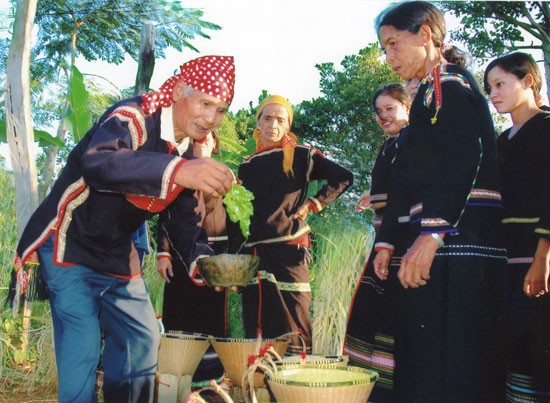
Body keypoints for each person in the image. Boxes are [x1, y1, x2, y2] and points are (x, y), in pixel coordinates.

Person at [13, 55, 236, 403]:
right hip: (70, 241)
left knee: (143, 337)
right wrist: (178, 171)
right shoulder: (133, 118)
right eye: (205, 103)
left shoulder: (187, 155)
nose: (211, 117)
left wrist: (207, 264)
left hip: (116, 252)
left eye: (221, 110)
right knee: (82, 345)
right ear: (178, 91)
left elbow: (182, 221)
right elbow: (98, 162)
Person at [374, 2, 507, 401]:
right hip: (446, 245)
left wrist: (431, 237)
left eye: (394, 44)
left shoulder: (449, 86)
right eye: (385, 48)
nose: (389, 57)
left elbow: (463, 158)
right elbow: (407, 179)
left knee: (455, 363)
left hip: (459, 249)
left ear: (426, 35)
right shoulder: (430, 95)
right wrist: (388, 239)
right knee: (433, 360)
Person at [228, 95, 353, 355]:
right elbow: (238, 216)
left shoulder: (300, 155)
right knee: (259, 318)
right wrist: (235, 261)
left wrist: (313, 204)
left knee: (294, 316)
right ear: (258, 124)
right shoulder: (247, 166)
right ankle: (259, 382)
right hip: (254, 253)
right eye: (267, 118)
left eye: (280, 120)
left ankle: (295, 383)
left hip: (289, 248)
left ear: (288, 126)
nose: (273, 124)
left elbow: (343, 177)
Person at [484, 52, 550, 402]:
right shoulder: (501, 141)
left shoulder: (547, 128)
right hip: (508, 256)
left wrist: (544, 259)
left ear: (527, 81)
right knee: (516, 347)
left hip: (539, 257)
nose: (493, 94)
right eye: (489, 88)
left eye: (500, 84)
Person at [343, 83, 411, 400]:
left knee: (390, 317)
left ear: (407, 107)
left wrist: (380, 200)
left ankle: (388, 392)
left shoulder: (411, 141)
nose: (383, 116)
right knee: (373, 315)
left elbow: (405, 193)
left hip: (400, 238)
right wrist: (375, 196)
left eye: (390, 108)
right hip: (386, 234)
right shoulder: (390, 145)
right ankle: (372, 388)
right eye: (379, 111)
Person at [156, 130, 228, 389]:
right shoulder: (178, 171)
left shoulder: (226, 176)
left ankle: (208, 384)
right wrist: (163, 252)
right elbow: (167, 216)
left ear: (215, 144)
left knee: (210, 317)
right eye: (199, 138)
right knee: (180, 315)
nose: (204, 141)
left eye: (209, 138)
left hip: (216, 257)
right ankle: (178, 381)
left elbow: (237, 219)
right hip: (180, 257)